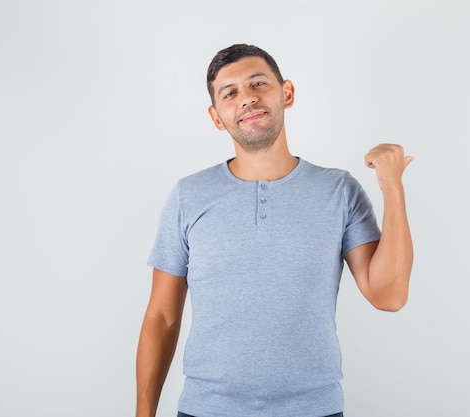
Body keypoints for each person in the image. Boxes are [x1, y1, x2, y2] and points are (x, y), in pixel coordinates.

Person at [136, 44, 414, 417]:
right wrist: (143, 412)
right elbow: (162, 316)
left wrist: (392, 186)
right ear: (217, 117)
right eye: (230, 93)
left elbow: (389, 295)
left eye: (258, 84)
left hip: (314, 410)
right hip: (206, 409)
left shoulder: (339, 191)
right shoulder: (189, 196)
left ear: (286, 93)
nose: (247, 99)